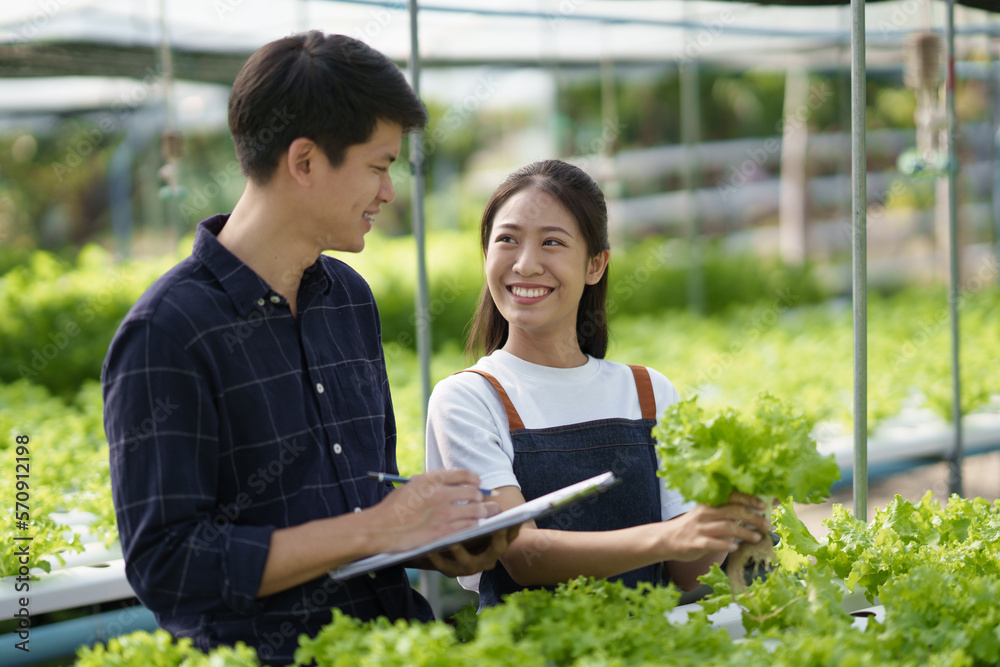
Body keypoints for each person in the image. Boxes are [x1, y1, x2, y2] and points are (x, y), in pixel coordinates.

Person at [102, 32, 515, 665]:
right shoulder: (168, 331)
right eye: (378, 167)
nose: (388, 192)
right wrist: (377, 527)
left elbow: (359, 498)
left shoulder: (347, 297)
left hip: (398, 644)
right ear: (304, 161)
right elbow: (169, 565)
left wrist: (438, 536)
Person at [425, 159, 769, 607]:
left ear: (595, 264)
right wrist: (670, 536)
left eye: (552, 243)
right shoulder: (470, 398)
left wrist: (732, 512)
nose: (526, 264)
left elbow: (690, 572)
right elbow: (523, 555)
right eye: (507, 240)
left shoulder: (649, 392)